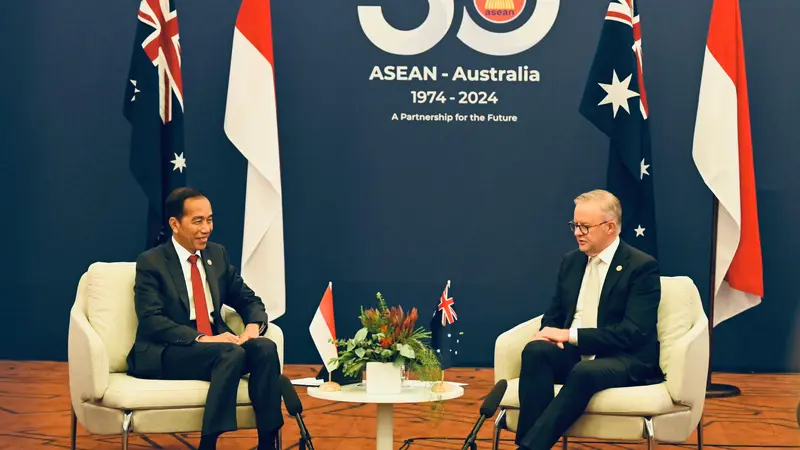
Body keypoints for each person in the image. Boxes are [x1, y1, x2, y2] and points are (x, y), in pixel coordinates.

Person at [126, 187, 283, 450]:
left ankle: (267, 443)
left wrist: (253, 327)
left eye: (209, 220)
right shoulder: (151, 262)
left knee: (265, 348)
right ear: (175, 224)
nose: (206, 228)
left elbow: (248, 299)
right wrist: (204, 339)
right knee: (228, 354)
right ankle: (208, 444)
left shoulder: (216, 255)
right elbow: (152, 320)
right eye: (197, 221)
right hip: (170, 349)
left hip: (216, 345)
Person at [515, 189, 663, 450]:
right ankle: (530, 441)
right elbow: (554, 314)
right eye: (575, 225)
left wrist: (570, 335)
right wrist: (548, 335)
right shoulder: (571, 262)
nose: (577, 233)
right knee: (536, 351)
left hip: (624, 358)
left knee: (585, 372)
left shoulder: (641, 267)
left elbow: (633, 333)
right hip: (575, 353)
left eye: (585, 226)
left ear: (610, 227)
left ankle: (529, 448)